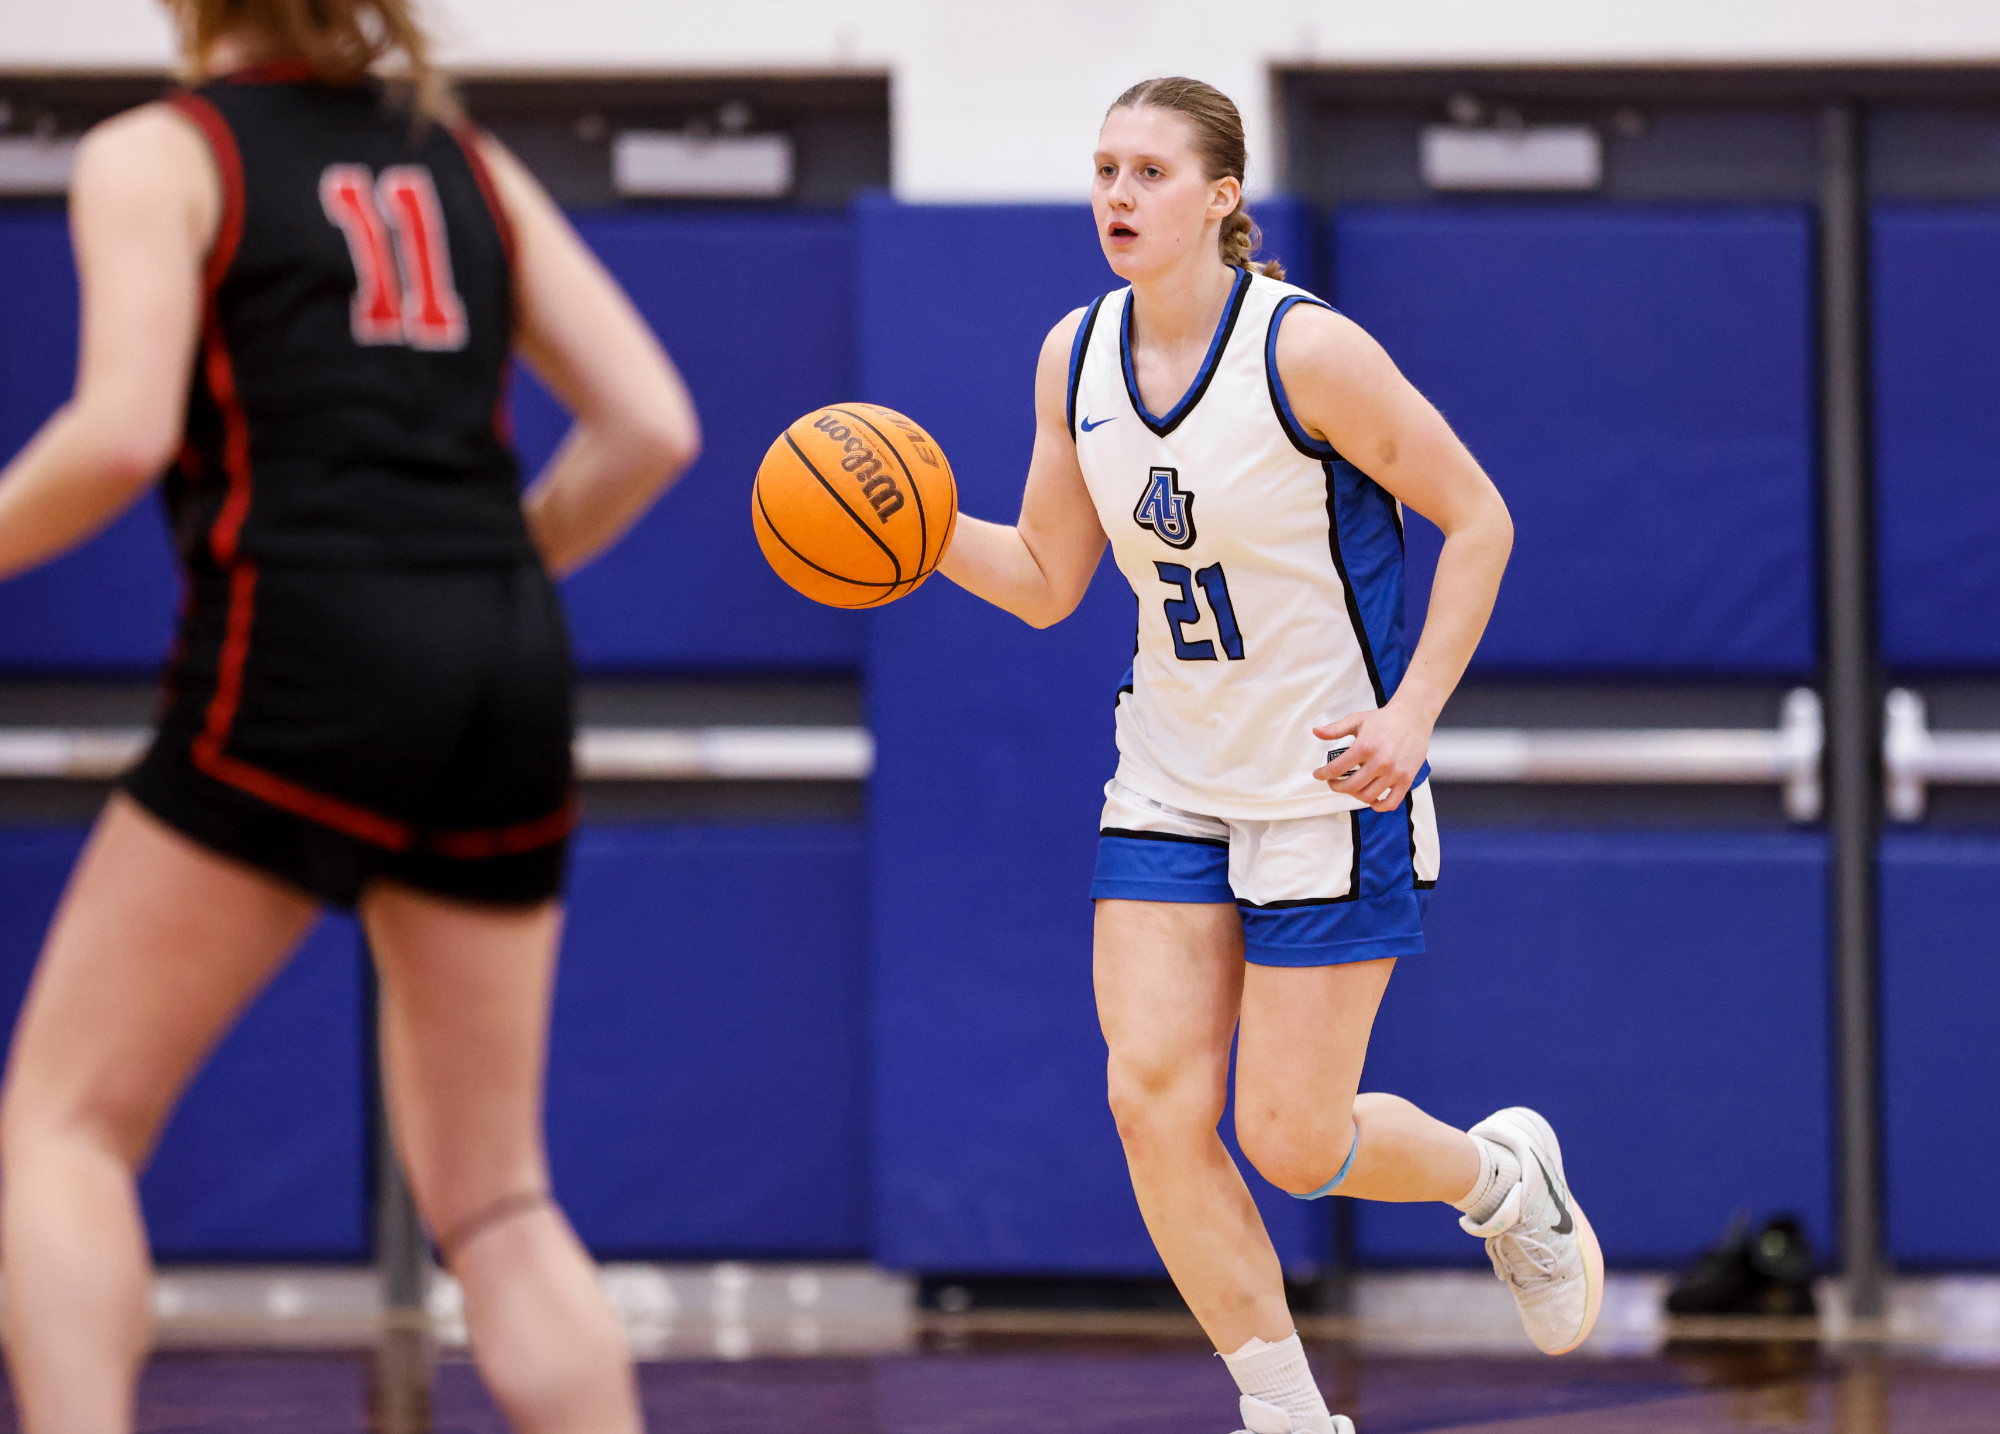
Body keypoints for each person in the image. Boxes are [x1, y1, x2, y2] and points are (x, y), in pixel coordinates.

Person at [0, 2, 698, 1431]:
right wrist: (470, 584)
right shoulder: (459, 154)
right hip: (504, 652)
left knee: (65, 1128)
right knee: (497, 1199)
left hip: (303, 641)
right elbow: (653, 427)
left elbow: (120, 432)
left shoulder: (160, 152)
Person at [936, 76, 1601, 1434]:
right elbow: (1051, 577)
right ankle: (1289, 1415)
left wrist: (1412, 716)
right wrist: (920, 529)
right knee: (1151, 1104)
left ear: (1222, 196)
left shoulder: (1308, 354)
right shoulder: (1075, 357)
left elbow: (1480, 519)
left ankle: (1501, 1179)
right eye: (1104, 169)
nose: (1118, 195)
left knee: (1293, 1141)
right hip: (1169, 776)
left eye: (1150, 172)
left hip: (1325, 782)